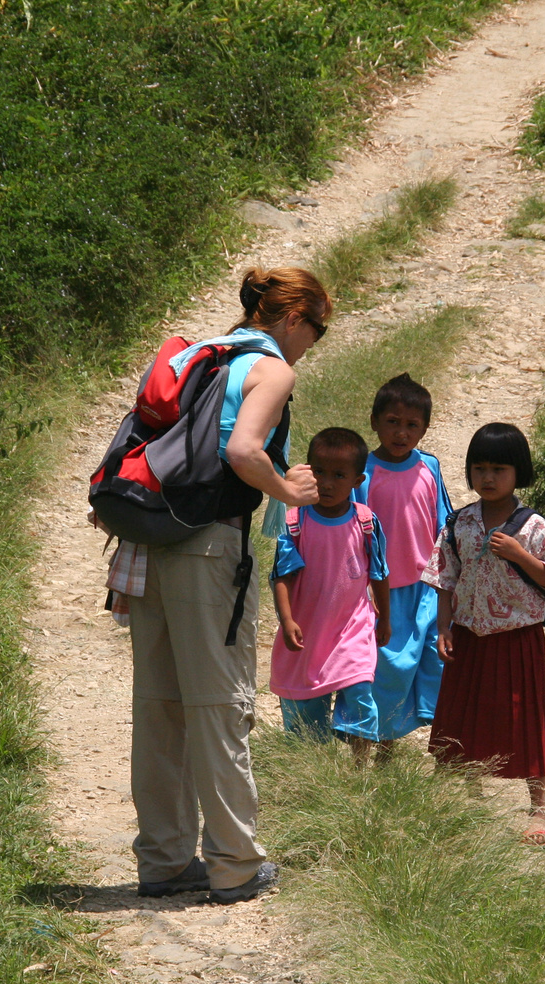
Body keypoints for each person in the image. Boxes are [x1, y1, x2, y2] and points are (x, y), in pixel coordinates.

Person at [127, 267, 329, 904]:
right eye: (315, 331)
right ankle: (236, 865)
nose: (312, 345)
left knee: (160, 705)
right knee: (219, 702)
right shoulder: (270, 368)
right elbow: (244, 450)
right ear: (292, 318)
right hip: (211, 543)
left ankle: (162, 861)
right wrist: (287, 487)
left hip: (153, 536)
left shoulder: (201, 355)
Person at [422, 423, 545, 844]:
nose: (488, 478)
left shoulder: (532, 527)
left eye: (499, 469)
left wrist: (519, 555)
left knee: (523, 717)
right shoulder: (460, 523)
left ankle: (538, 808)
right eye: (480, 468)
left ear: (518, 472)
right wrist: (442, 628)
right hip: (469, 634)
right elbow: (445, 579)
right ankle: (456, 799)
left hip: (517, 637)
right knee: (459, 713)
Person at [271, 428, 392, 756]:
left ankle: (358, 772)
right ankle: (314, 774)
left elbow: (379, 573)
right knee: (305, 720)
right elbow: (281, 575)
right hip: (309, 631)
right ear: (307, 469)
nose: (326, 483)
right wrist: (286, 619)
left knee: (360, 698)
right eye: (319, 472)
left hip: (353, 627)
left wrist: (385, 619)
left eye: (339, 475)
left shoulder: (365, 522)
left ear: (357, 480)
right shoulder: (296, 522)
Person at [352, 374, 453, 750]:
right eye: (392, 422)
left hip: (426, 587)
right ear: (374, 421)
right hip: (381, 589)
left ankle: (415, 748)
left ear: (425, 428)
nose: (401, 433)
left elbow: (444, 521)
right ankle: (370, 745)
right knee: (385, 669)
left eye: (412, 425)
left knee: (430, 662)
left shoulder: (429, 466)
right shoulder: (364, 471)